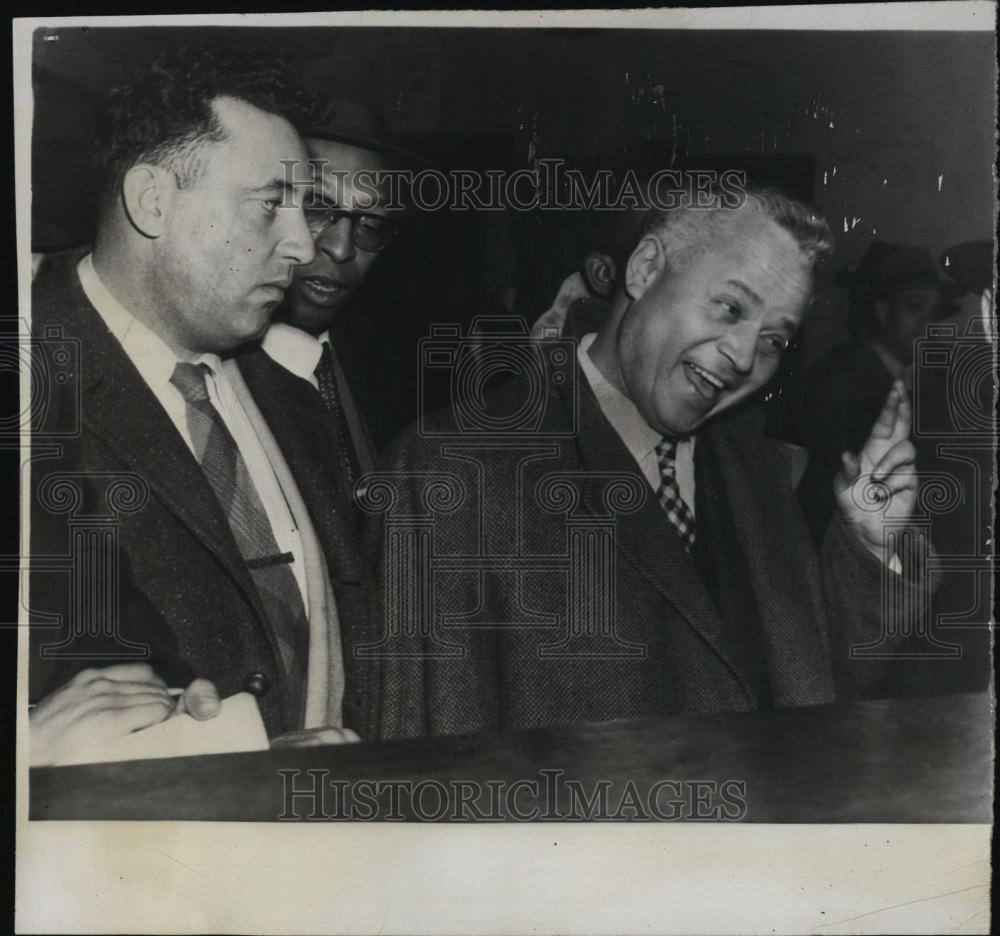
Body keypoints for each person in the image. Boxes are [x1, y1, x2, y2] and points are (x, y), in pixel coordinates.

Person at [371, 181, 928, 739]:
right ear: (642, 270)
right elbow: (428, 748)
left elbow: (820, 705)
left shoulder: (760, 471)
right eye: (730, 307)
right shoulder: (454, 466)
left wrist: (870, 547)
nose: (742, 357)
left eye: (774, 341)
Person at [28, 44, 359, 764]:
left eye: (305, 210)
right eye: (272, 205)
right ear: (153, 202)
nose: (304, 245)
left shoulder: (293, 396)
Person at [231, 57, 425, 738]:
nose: (340, 247)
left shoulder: (386, 379)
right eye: (319, 208)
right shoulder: (217, 381)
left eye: (370, 226)